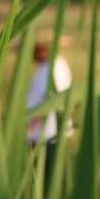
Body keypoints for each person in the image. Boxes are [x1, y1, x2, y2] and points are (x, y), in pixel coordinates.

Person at [26, 39, 72, 176]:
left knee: (44, 176)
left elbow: (50, 102)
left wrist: (30, 125)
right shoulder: (47, 67)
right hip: (42, 133)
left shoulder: (54, 68)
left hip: (47, 134)